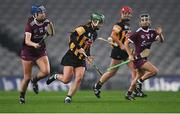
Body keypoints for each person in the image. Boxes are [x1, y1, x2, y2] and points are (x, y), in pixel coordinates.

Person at [46, 12, 105, 103]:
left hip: (81, 59)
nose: (100, 24)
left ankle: (68, 97)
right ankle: (56, 76)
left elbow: (87, 47)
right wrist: (78, 47)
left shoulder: (95, 34)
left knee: (79, 78)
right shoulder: (83, 28)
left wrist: (88, 56)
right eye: (99, 22)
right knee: (66, 80)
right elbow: (72, 36)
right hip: (71, 56)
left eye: (101, 22)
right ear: (94, 21)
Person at [93, 6, 136, 98]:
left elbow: (123, 39)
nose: (127, 15)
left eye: (128, 13)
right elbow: (113, 35)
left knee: (134, 70)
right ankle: (97, 86)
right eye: (125, 13)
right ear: (121, 14)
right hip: (118, 51)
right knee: (112, 72)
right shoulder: (119, 24)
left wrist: (128, 48)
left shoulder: (127, 25)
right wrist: (121, 45)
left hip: (124, 51)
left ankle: (132, 92)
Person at [19, 5, 55, 104]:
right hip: (28, 52)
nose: (44, 14)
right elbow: (27, 41)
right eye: (41, 13)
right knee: (26, 77)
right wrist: (34, 44)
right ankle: (22, 96)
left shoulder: (47, 21)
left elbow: (52, 32)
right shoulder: (30, 25)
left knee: (46, 71)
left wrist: (50, 31)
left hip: (40, 51)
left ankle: (34, 80)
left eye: (44, 12)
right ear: (35, 15)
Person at [124, 13, 164, 100]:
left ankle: (128, 93)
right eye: (143, 20)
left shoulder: (153, 32)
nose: (145, 22)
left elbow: (161, 41)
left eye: (146, 20)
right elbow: (126, 43)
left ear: (150, 21)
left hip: (144, 57)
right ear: (140, 23)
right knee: (154, 71)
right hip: (138, 58)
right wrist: (130, 55)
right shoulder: (137, 33)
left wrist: (160, 34)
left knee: (139, 75)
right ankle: (139, 82)